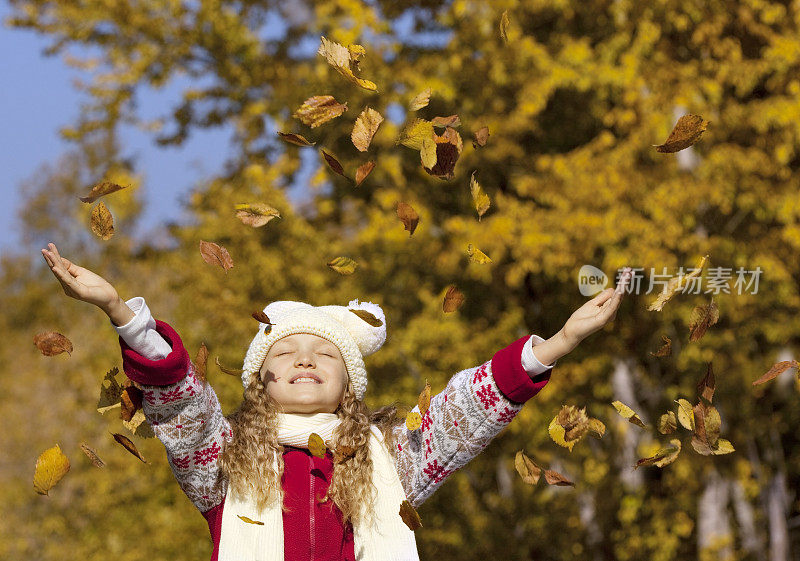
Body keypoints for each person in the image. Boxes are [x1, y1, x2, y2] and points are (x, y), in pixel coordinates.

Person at [41, 242, 632, 561]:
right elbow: (177, 401)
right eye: (287, 353)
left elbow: (464, 413)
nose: (304, 360)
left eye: (323, 355)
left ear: (349, 384)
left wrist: (557, 344)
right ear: (261, 382)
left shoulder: (385, 460)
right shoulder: (223, 464)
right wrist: (121, 312)